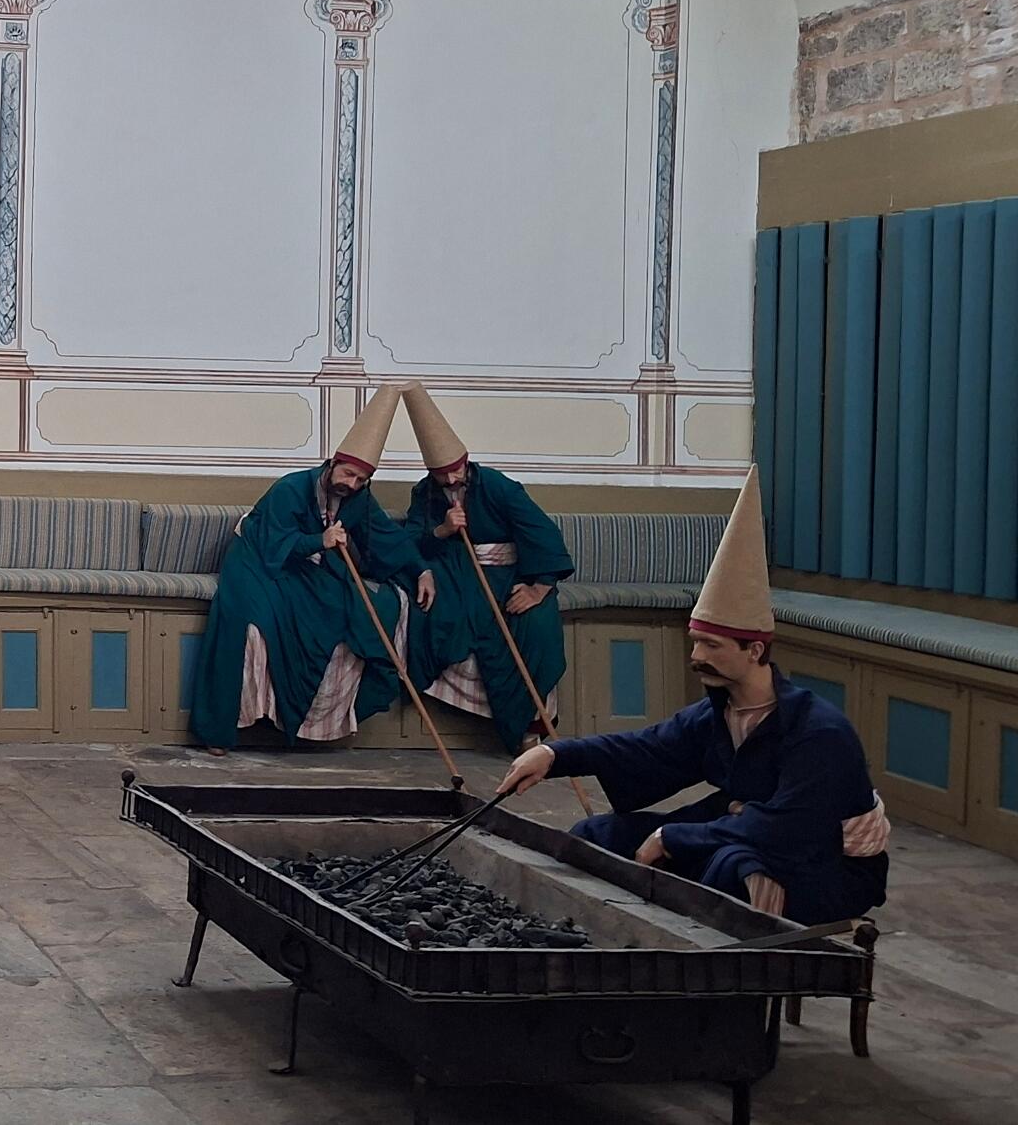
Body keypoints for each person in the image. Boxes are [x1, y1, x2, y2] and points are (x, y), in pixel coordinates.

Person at [496, 468, 890, 923]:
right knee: (599, 835)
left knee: (728, 868)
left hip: (824, 864)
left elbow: (788, 828)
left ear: (754, 651)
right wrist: (554, 755)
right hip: (745, 831)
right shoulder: (717, 713)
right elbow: (646, 748)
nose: (696, 656)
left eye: (711, 646)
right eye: (695, 642)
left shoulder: (819, 732)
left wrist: (673, 837)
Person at [190, 386, 438, 753]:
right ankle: (218, 730)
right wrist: (319, 540)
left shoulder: (357, 498)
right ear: (333, 463)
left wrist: (421, 570)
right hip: (257, 561)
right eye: (349, 474)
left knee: (346, 611)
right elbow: (273, 543)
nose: (352, 484)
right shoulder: (291, 488)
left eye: (361, 480)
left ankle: (313, 719)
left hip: (305, 567)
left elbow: (387, 536)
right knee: (249, 622)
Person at [399, 384, 575, 755]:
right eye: (442, 475)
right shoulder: (425, 492)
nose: (451, 481)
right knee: (435, 618)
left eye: (456, 471)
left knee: (535, 628)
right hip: (458, 577)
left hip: (512, 577)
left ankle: (530, 726)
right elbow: (411, 542)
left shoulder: (498, 487)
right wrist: (442, 530)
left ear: (466, 463)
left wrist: (538, 588)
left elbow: (541, 534)